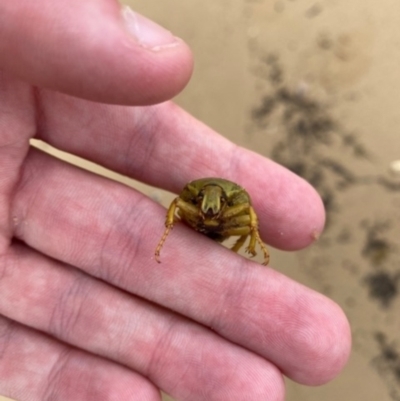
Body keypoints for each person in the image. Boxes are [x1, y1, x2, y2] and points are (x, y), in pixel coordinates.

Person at [0, 1, 351, 400]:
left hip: (228, 230)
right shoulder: (192, 199)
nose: (209, 205)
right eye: (206, 202)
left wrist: (247, 242)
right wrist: (166, 235)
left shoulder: (234, 206)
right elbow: (177, 203)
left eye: (215, 204)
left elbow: (250, 215)